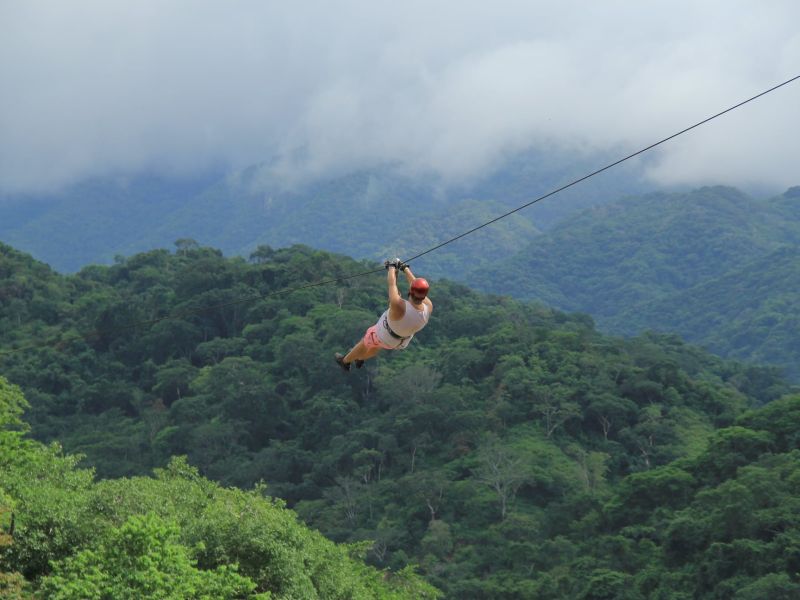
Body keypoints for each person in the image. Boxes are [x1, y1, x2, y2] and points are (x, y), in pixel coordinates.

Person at [335, 259, 432, 371]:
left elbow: (392, 284)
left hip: (385, 334)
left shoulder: (399, 306)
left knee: (365, 341)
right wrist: (405, 269)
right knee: (376, 345)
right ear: (425, 296)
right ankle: (360, 357)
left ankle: (345, 361)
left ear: (410, 291)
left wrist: (391, 268)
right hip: (400, 342)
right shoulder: (428, 308)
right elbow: (415, 285)